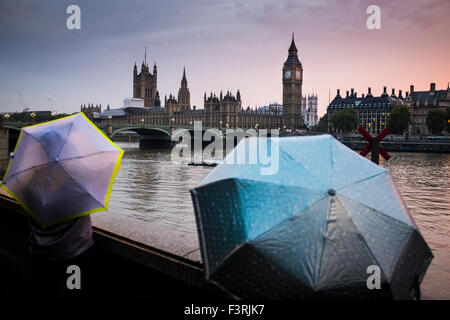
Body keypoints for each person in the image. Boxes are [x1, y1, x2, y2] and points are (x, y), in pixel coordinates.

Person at [28, 215, 94, 297]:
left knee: (41, 292)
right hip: (75, 253)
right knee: (73, 290)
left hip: (40, 249)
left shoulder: (34, 201)